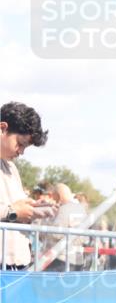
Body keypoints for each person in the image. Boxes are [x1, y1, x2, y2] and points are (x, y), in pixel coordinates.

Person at [1, 101, 55, 269]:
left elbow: (18, 205)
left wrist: (34, 207)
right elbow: (13, 210)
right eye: (20, 143)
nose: (21, 152)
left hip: (17, 263)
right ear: (2, 128)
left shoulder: (11, 167)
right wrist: (13, 212)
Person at [45, 183, 88, 271]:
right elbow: (85, 236)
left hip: (61, 258)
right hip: (78, 259)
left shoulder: (63, 209)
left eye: (54, 196)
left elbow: (55, 233)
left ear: (58, 196)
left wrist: (46, 224)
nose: (53, 199)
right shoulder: (82, 209)